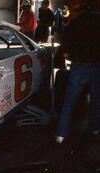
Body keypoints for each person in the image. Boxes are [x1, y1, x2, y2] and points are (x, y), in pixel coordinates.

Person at [55, 0, 100, 143]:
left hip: (79, 66)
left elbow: (65, 44)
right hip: (96, 66)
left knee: (69, 101)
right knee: (96, 100)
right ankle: (94, 129)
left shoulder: (74, 23)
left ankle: (61, 135)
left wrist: (69, 55)